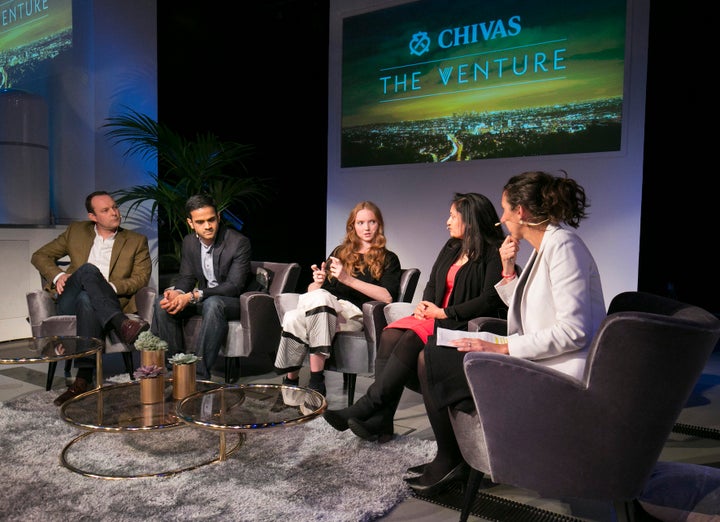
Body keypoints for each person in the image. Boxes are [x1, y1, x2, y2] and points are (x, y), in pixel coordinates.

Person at [405, 170, 607, 496]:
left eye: (505, 210)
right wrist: (510, 271)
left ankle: (452, 458)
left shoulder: (564, 247)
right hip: (538, 358)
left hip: (555, 373)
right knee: (437, 353)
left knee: (433, 361)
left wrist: (502, 349)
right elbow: (530, 310)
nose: (500, 219)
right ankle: (454, 455)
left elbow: (575, 331)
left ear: (521, 213)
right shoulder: (549, 246)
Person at [323, 193, 508, 442]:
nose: (447, 221)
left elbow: (489, 299)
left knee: (411, 338)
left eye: (453, 216)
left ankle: (369, 404)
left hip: (461, 320)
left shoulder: (493, 252)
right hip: (436, 314)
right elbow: (433, 281)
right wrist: (424, 304)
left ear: (470, 220)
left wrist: (444, 312)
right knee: (390, 333)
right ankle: (383, 421)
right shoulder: (452, 246)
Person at [31, 190, 152, 406]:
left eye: (114, 207)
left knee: (88, 298)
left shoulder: (135, 241)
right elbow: (40, 255)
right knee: (87, 270)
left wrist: (107, 288)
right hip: (69, 300)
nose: (114, 213)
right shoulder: (76, 231)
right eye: (106, 210)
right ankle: (120, 323)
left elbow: (141, 279)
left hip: (102, 300)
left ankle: (82, 380)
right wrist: (58, 275)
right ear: (92, 217)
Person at [273, 201, 402, 395]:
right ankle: (298, 382)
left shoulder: (389, 258)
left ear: (379, 224)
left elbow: (387, 296)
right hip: (326, 308)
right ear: (352, 226)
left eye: (372, 222)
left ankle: (307, 382)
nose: (366, 228)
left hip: (354, 314)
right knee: (295, 315)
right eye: (360, 223)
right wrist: (317, 282)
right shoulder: (339, 253)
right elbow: (314, 292)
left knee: (319, 302)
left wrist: (346, 279)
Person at [152, 194, 252, 380]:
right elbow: (187, 277)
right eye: (200, 222)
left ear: (219, 217)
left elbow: (233, 287)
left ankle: (198, 375)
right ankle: (176, 369)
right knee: (162, 303)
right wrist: (177, 292)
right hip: (204, 299)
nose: (208, 226)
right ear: (190, 223)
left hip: (233, 303)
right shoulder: (190, 242)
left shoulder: (238, 242)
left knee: (213, 303)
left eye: (211, 219)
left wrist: (192, 296)